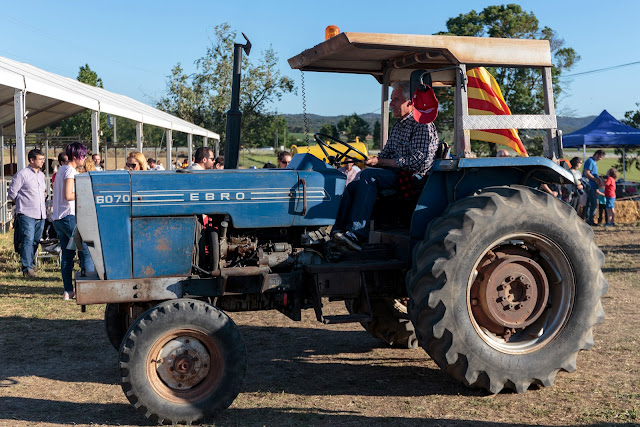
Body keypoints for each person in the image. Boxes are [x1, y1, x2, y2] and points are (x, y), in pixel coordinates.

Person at [333, 81, 440, 250]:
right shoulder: (398, 127)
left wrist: (381, 162)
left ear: (410, 102)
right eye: (391, 99)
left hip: (414, 179)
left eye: (396, 99)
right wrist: (368, 160)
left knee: (369, 177)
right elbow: (386, 155)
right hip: (396, 175)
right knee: (353, 185)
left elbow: (419, 162)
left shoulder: (422, 125)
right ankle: (338, 231)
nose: (391, 104)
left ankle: (357, 233)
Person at [52, 142, 94, 300]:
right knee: (87, 250)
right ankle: (88, 290)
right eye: (83, 156)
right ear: (76, 156)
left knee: (67, 255)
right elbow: (68, 195)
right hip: (69, 216)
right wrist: (85, 194)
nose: (84, 159)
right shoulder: (70, 171)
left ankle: (68, 290)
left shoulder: (61, 169)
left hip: (58, 218)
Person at [8, 149, 47, 277]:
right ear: (32, 160)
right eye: (40, 159)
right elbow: (12, 193)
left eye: (43, 159)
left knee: (36, 240)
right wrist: (22, 202)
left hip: (40, 213)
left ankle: (30, 263)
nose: (43, 161)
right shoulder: (22, 175)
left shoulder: (41, 175)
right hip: (26, 213)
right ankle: (27, 268)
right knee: (27, 239)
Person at [582, 149, 605, 225]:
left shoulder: (593, 162)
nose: (600, 159)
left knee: (589, 203)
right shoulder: (590, 161)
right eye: (600, 157)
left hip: (592, 185)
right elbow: (587, 172)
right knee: (593, 203)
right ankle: (590, 219)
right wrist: (595, 179)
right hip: (590, 185)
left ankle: (587, 219)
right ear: (597, 155)